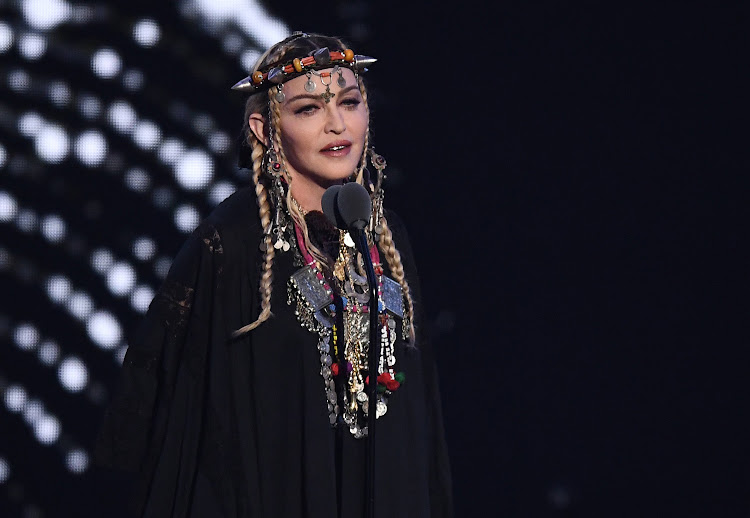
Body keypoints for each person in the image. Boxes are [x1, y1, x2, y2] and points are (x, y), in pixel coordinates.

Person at [95, 32, 452, 518]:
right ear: (265, 128)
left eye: (349, 102)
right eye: (308, 109)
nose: (336, 124)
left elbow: (420, 409)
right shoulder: (230, 245)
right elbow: (186, 421)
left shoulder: (386, 236)